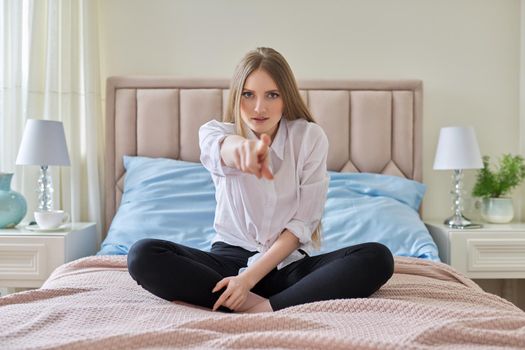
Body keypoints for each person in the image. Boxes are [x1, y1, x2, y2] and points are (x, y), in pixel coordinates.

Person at [127, 47, 394, 313]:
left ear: (285, 98)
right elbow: (224, 148)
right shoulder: (215, 133)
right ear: (236, 96)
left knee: (377, 257)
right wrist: (242, 151)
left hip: (288, 266)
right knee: (142, 255)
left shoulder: (309, 138)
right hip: (227, 263)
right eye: (248, 94)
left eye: (272, 95)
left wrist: (247, 281)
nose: (259, 107)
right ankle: (274, 305)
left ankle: (258, 308)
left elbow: (302, 224)